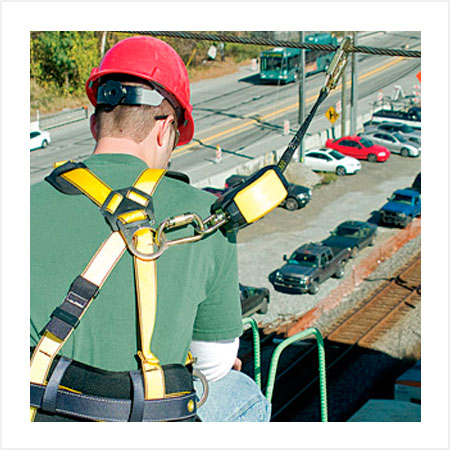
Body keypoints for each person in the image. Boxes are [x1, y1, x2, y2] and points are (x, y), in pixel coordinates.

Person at [30, 35, 270, 422]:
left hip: (38, 416)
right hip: (148, 417)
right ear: (165, 130)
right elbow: (212, 364)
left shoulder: (25, 204)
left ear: (96, 125)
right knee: (242, 391)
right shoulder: (205, 215)